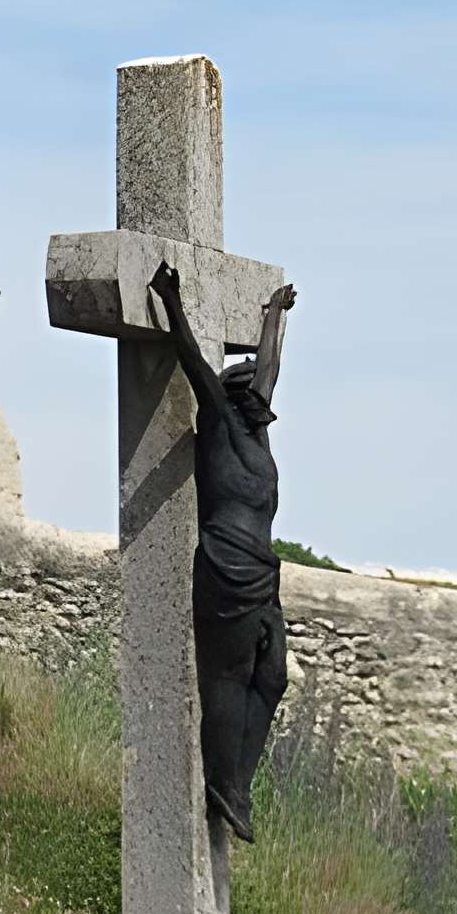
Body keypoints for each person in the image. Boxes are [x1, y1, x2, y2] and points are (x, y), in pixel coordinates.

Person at [146, 262, 298, 842]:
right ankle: (227, 785)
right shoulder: (221, 422)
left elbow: (273, 370)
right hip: (227, 571)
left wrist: (274, 317)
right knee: (230, 678)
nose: (266, 399)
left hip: (263, 573)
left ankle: (237, 783)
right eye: (256, 391)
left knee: (275, 677)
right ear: (238, 397)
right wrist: (171, 300)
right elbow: (191, 358)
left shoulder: (257, 436)